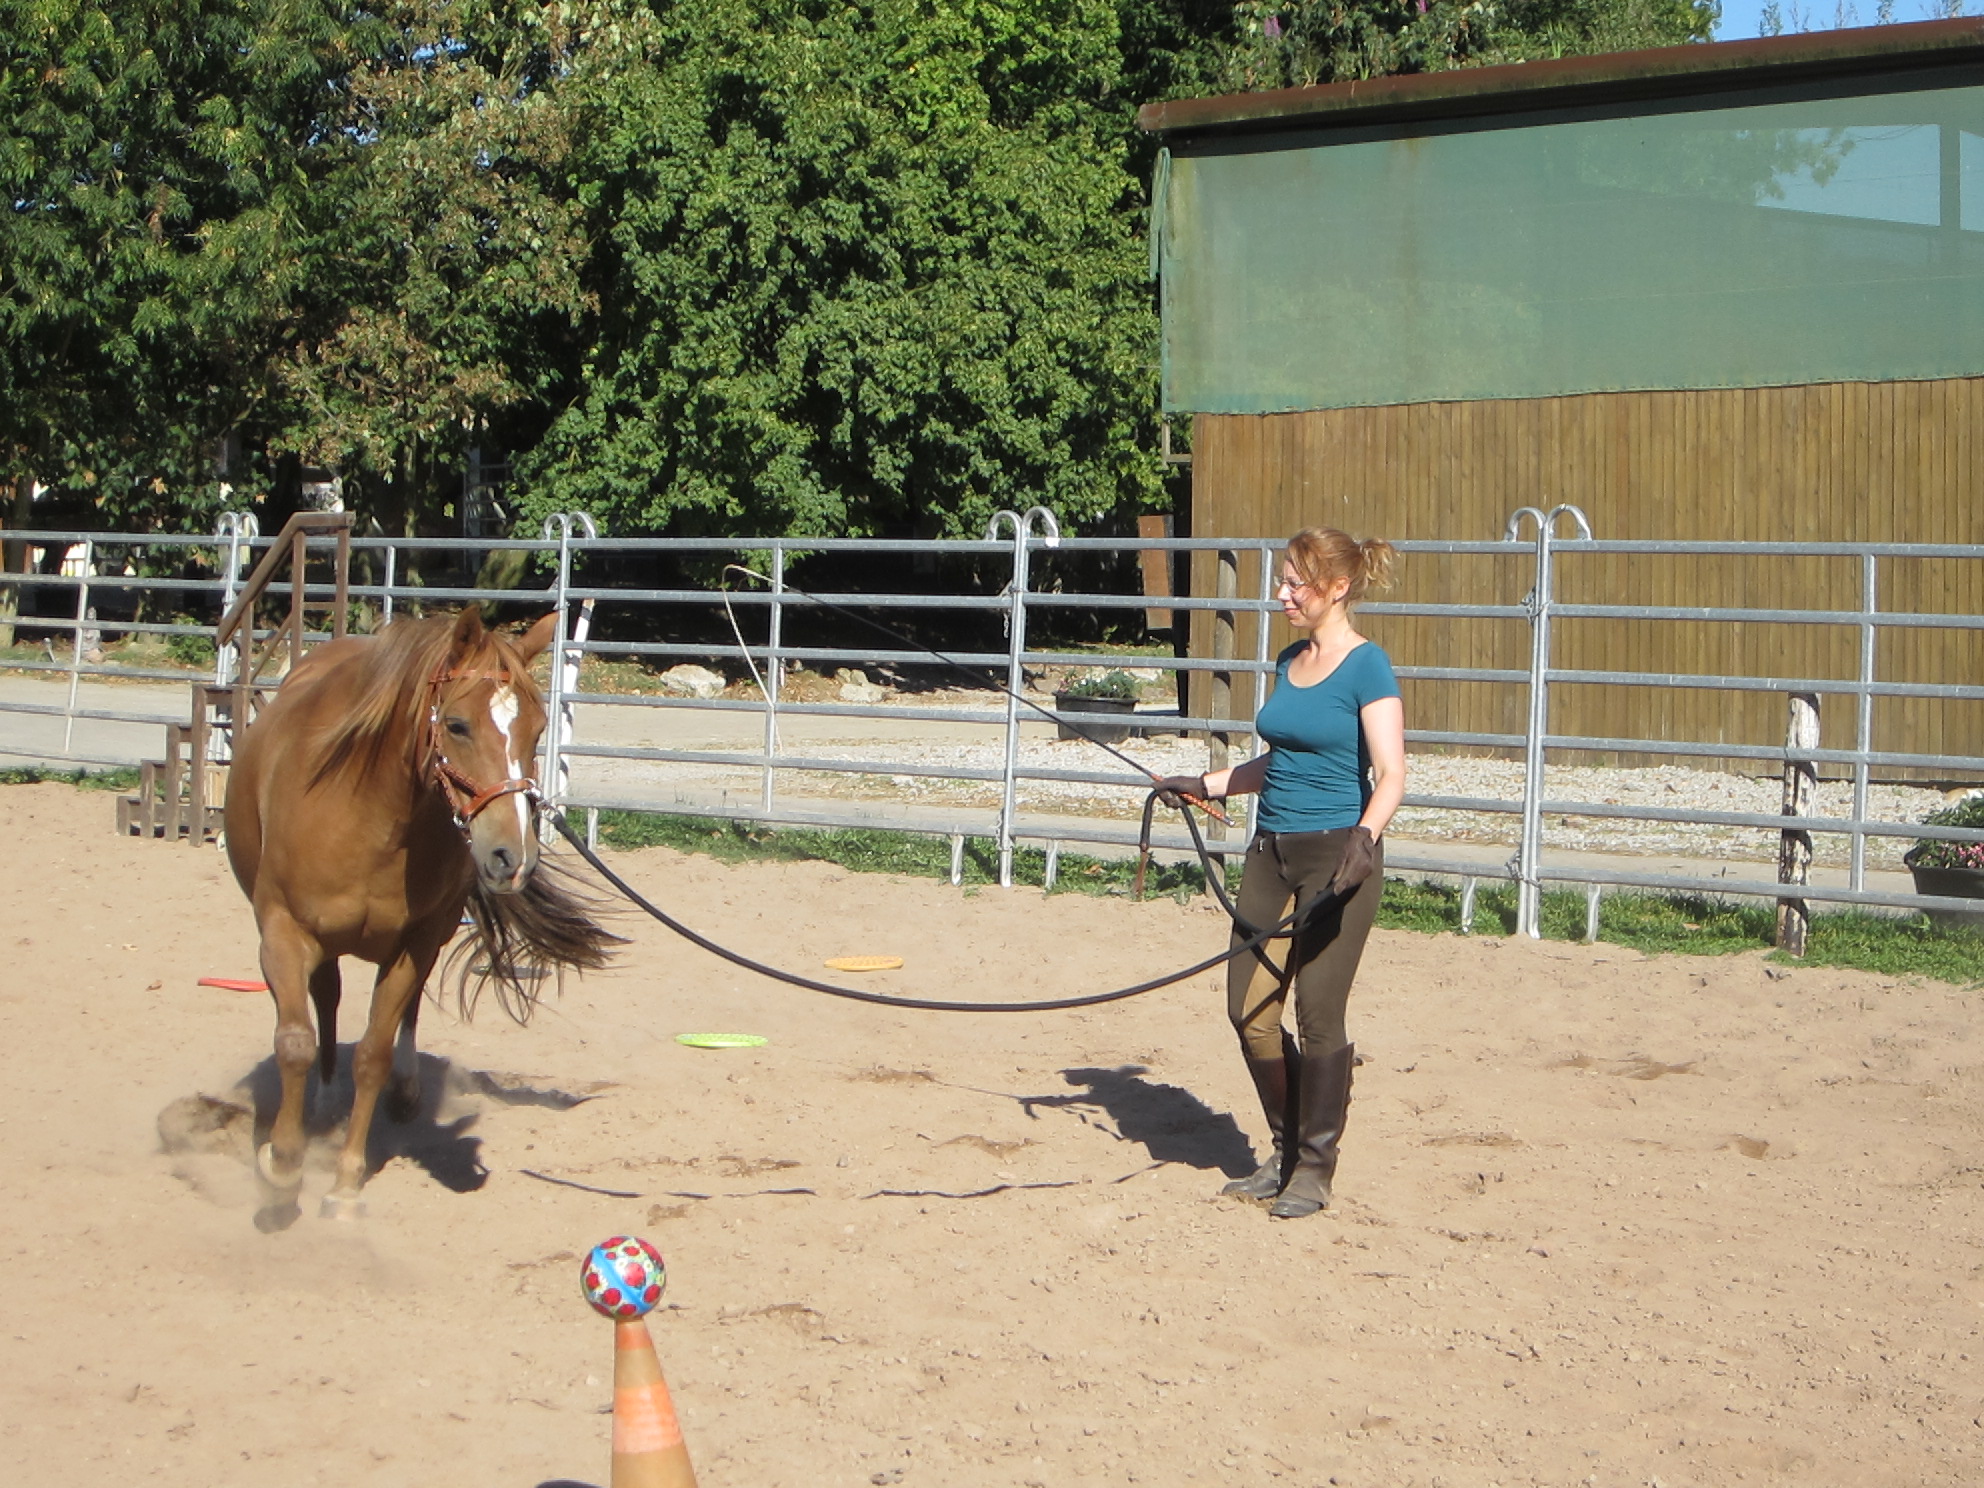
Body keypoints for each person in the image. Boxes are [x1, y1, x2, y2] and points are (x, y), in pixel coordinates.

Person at [1157, 527, 1404, 1219]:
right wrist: (1207, 783)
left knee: (1318, 1012)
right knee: (1251, 1011)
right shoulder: (1290, 660)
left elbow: (1391, 774)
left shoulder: (1367, 667)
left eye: (1296, 583)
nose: (1282, 594)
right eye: (1283, 580)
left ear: (1337, 588)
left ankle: (1314, 1170)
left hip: (1339, 857)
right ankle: (1285, 1149)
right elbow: (1281, 762)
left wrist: (1365, 837)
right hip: (1272, 850)